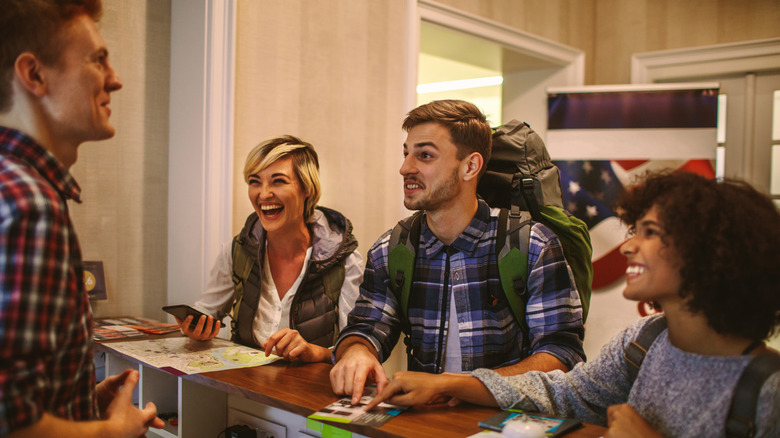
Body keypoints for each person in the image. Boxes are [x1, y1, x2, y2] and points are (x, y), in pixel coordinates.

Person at [366, 170, 780, 438]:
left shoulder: (768, 390)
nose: (630, 246)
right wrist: (448, 383)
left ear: (710, 252)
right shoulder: (643, 342)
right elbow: (564, 393)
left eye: (649, 232)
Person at [330, 99, 585, 404]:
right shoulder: (391, 249)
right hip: (424, 424)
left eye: (424, 155)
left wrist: (456, 385)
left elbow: (560, 355)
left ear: (470, 166)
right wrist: (357, 351)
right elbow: (368, 326)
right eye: (406, 154)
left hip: (507, 425)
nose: (405, 168)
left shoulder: (532, 246)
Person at [0, 1, 166, 437]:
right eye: (97, 60)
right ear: (34, 74)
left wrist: (80, 403)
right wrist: (113, 432)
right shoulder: (30, 207)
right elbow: (11, 421)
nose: (116, 79)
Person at [175, 135, 364, 364]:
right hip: (242, 387)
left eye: (278, 181)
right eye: (255, 181)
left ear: (308, 189)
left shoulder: (345, 261)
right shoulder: (236, 252)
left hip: (308, 392)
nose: (264, 194)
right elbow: (207, 311)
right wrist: (196, 328)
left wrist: (315, 352)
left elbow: (356, 347)